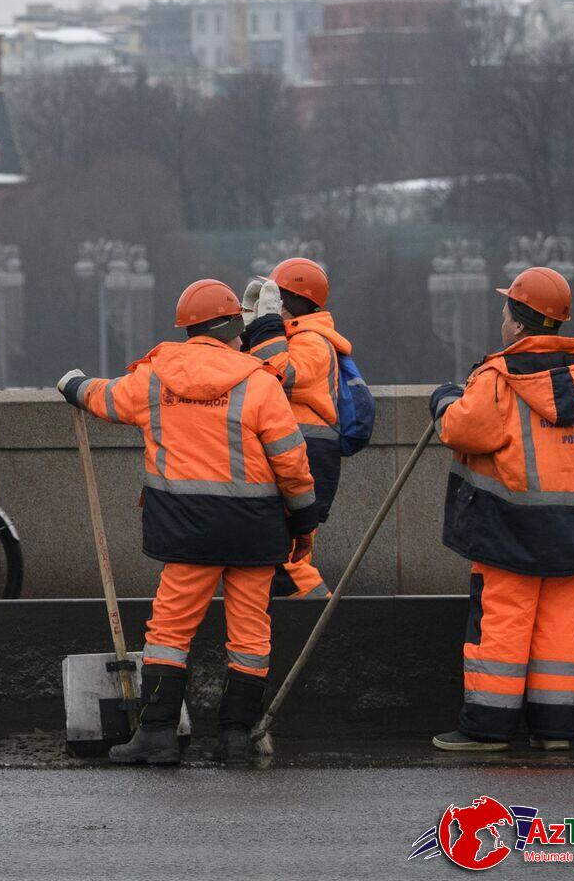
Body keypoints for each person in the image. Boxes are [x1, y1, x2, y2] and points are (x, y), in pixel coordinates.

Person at [56, 279, 318, 766]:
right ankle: (236, 739)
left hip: (186, 529)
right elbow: (292, 462)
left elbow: (107, 398)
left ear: (188, 329)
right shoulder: (259, 381)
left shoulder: (157, 375)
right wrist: (304, 525)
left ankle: (157, 734)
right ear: (234, 331)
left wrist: (73, 385)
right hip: (254, 531)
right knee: (249, 635)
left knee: (171, 631)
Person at [428, 266, 574, 753]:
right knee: (561, 627)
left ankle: (487, 727)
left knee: (503, 624)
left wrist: (443, 399)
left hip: (510, 531)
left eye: (506, 312)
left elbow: (461, 430)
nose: (503, 321)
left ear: (519, 324)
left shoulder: (498, 379)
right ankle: (554, 731)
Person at [240, 257, 352, 599]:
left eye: (276, 301)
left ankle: (321, 624)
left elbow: (280, 375)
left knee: (289, 562)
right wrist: (250, 330)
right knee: (278, 557)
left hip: (308, 459)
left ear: (292, 303)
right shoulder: (292, 337)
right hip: (293, 455)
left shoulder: (314, 342)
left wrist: (267, 326)